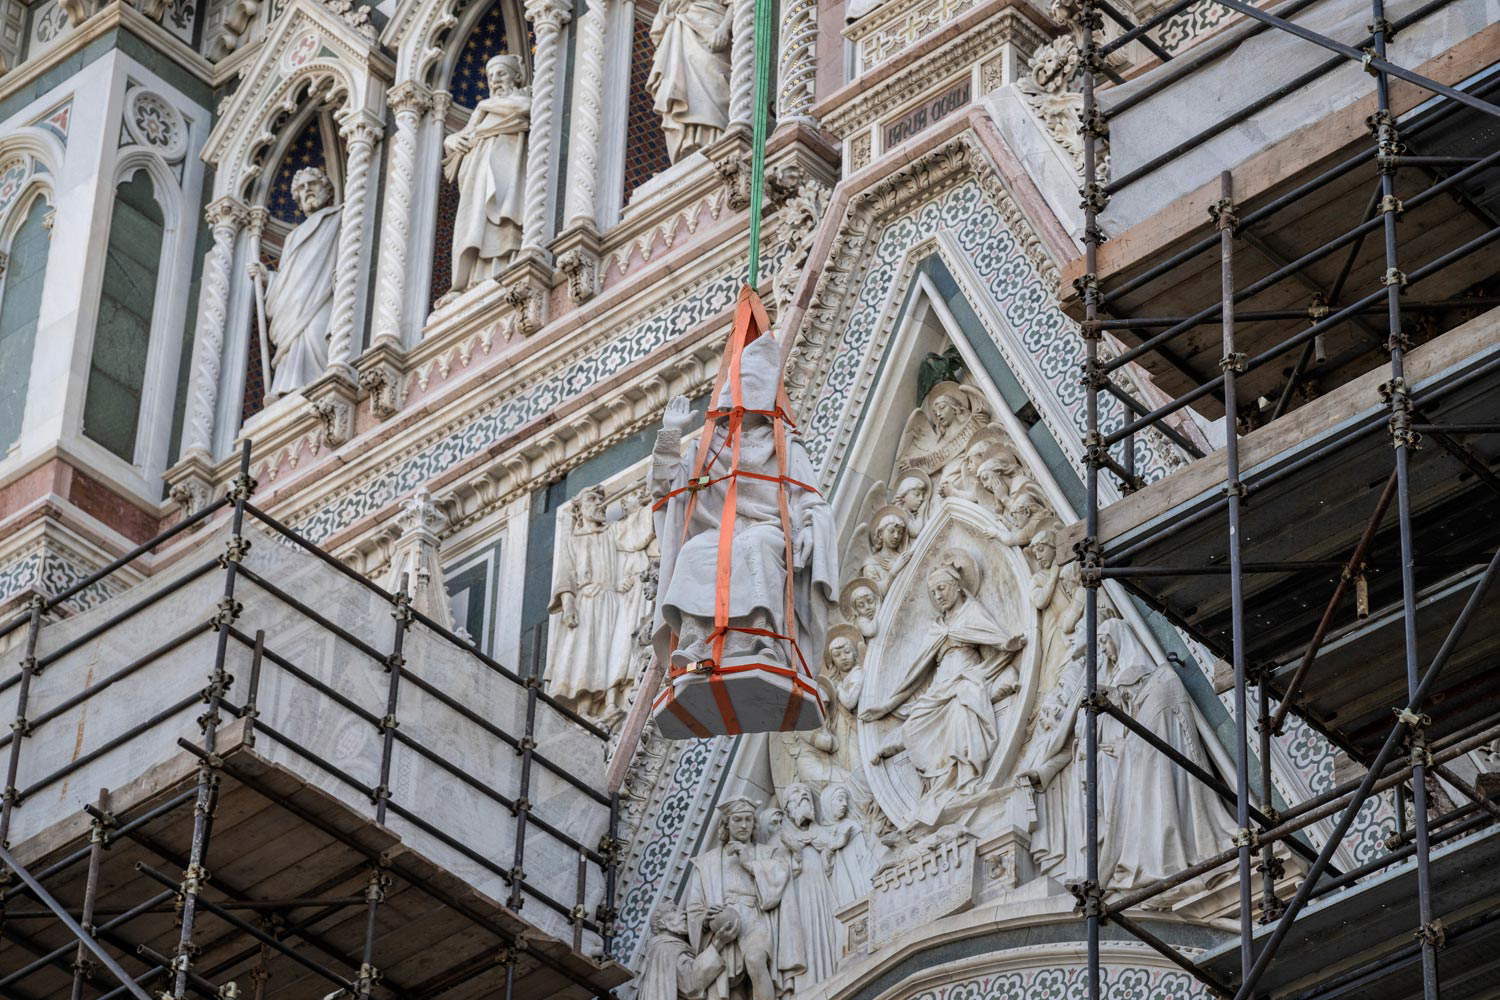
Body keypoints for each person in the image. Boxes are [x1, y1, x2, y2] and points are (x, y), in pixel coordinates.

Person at [649, 332, 837, 680]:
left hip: (767, 529)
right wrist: (670, 436)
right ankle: (697, 643)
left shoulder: (785, 447)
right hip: (722, 532)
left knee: (757, 546)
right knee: (696, 550)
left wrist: (811, 527)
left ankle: (762, 640)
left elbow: (811, 499)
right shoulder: (708, 448)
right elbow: (665, 491)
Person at [861, 551, 1026, 825]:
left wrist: (1006, 645)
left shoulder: (973, 613)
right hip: (939, 685)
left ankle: (963, 781)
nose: (937, 596)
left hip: (966, 676)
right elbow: (915, 675)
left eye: (942, 588)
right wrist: (887, 706)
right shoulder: (937, 628)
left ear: (958, 587)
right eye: (933, 592)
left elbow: (995, 644)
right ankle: (938, 787)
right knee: (915, 726)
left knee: (963, 706)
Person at [682, 797, 799, 1000]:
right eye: (737, 820)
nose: (744, 825)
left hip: (756, 918)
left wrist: (750, 863)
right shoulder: (707, 863)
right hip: (725, 924)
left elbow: (780, 881)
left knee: (755, 960)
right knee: (732, 984)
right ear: (726, 824)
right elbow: (693, 908)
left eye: (748, 819)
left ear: (755, 823)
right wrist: (706, 918)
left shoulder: (766, 853)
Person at [441, 54, 529, 298]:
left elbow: (526, 109)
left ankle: (509, 263)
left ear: (516, 77)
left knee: (503, 219)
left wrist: (483, 106)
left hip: (509, 169)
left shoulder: (520, 99)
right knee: (478, 224)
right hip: (478, 175)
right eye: (491, 76)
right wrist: (451, 139)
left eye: (501, 73)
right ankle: (476, 278)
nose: (495, 80)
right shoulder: (483, 113)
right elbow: (465, 135)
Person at [249, 166, 340, 398]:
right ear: (297, 198)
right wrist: (268, 278)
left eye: (313, 184)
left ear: (327, 189)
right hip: (293, 306)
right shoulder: (291, 237)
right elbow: (289, 278)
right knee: (293, 349)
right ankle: (289, 391)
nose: (307, 190)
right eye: (301, 187)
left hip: (321, 297)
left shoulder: (340, 216)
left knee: (317, 335)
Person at [648, 0, 732, 162]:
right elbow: (663, 17)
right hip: (683, 30)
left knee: (712, 81)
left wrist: (724, 27)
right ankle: (687, 141)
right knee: (679, 86)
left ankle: (715, 138)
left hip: (711, 28)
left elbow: (741, 4)